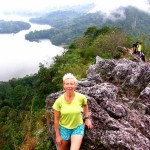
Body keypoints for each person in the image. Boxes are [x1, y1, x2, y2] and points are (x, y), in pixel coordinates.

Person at [52, 73, 93, 150]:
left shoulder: (81, 97)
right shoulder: (59, 101)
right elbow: (56, 119)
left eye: (71, 84)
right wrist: (57, 136)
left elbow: (85, 105)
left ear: (75, 85)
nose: (69, 86)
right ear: (64, 85)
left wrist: (87, 118)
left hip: (78, 127)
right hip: (64, 128)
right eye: (67, 84)